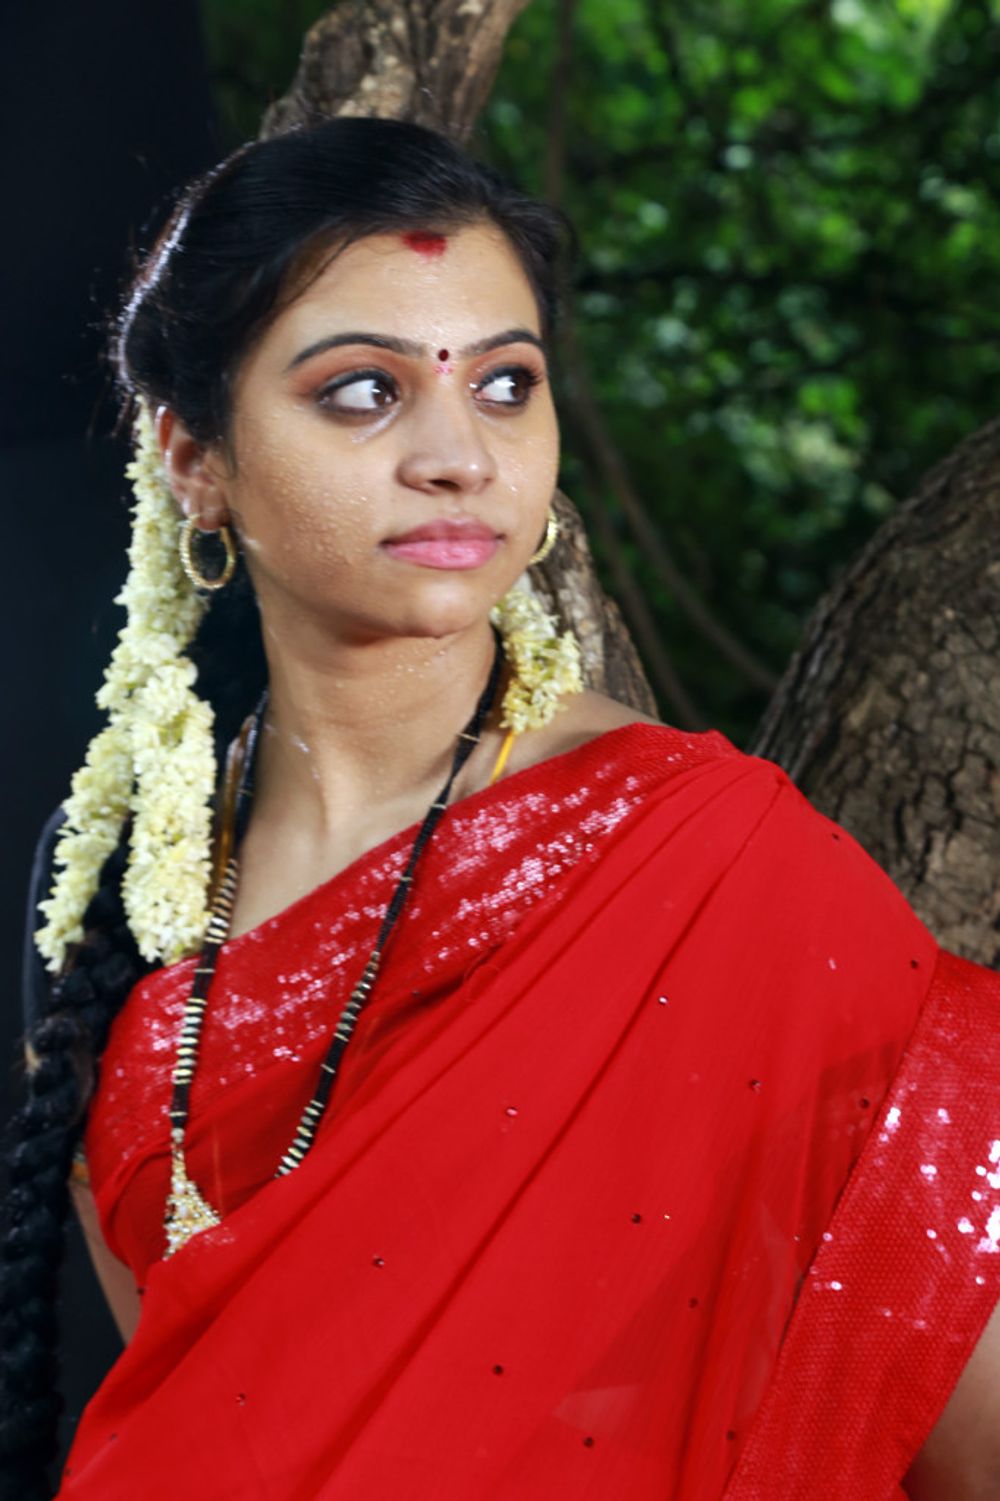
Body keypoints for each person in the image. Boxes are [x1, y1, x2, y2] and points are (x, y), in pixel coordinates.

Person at [3, 117, 999, 1501]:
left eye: (505, 383)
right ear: (194, 457)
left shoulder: (707, 857)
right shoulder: (128, 893)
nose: (459, 454)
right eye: (364, 390)